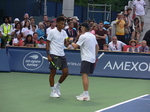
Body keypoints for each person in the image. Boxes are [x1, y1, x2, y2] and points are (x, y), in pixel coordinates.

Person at [70, 22, 99, 101]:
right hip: (91, 59)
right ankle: (85, 93)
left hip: (86, 59)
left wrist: (71, 41)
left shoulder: (83, 36)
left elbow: (75, 47)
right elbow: (97, 47)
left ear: (84, 28)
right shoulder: (93, 36)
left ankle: (86, 95)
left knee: (84, 76)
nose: (80, 29)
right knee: (86, 76)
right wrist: (94, 56)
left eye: (81, 27)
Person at [46, 16, 69, 98]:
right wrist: (48, 55)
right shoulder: (52, 32)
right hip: (53, 54)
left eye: (64, 24)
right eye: (62, 24)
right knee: (53, 73)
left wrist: (68, 42)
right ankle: (52, 91)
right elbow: (47, 43)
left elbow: (66, 44)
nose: (63, 25)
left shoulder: (64, 32)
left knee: (66, 73)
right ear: (57, 23)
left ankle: (57, 85)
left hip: (62, 54)